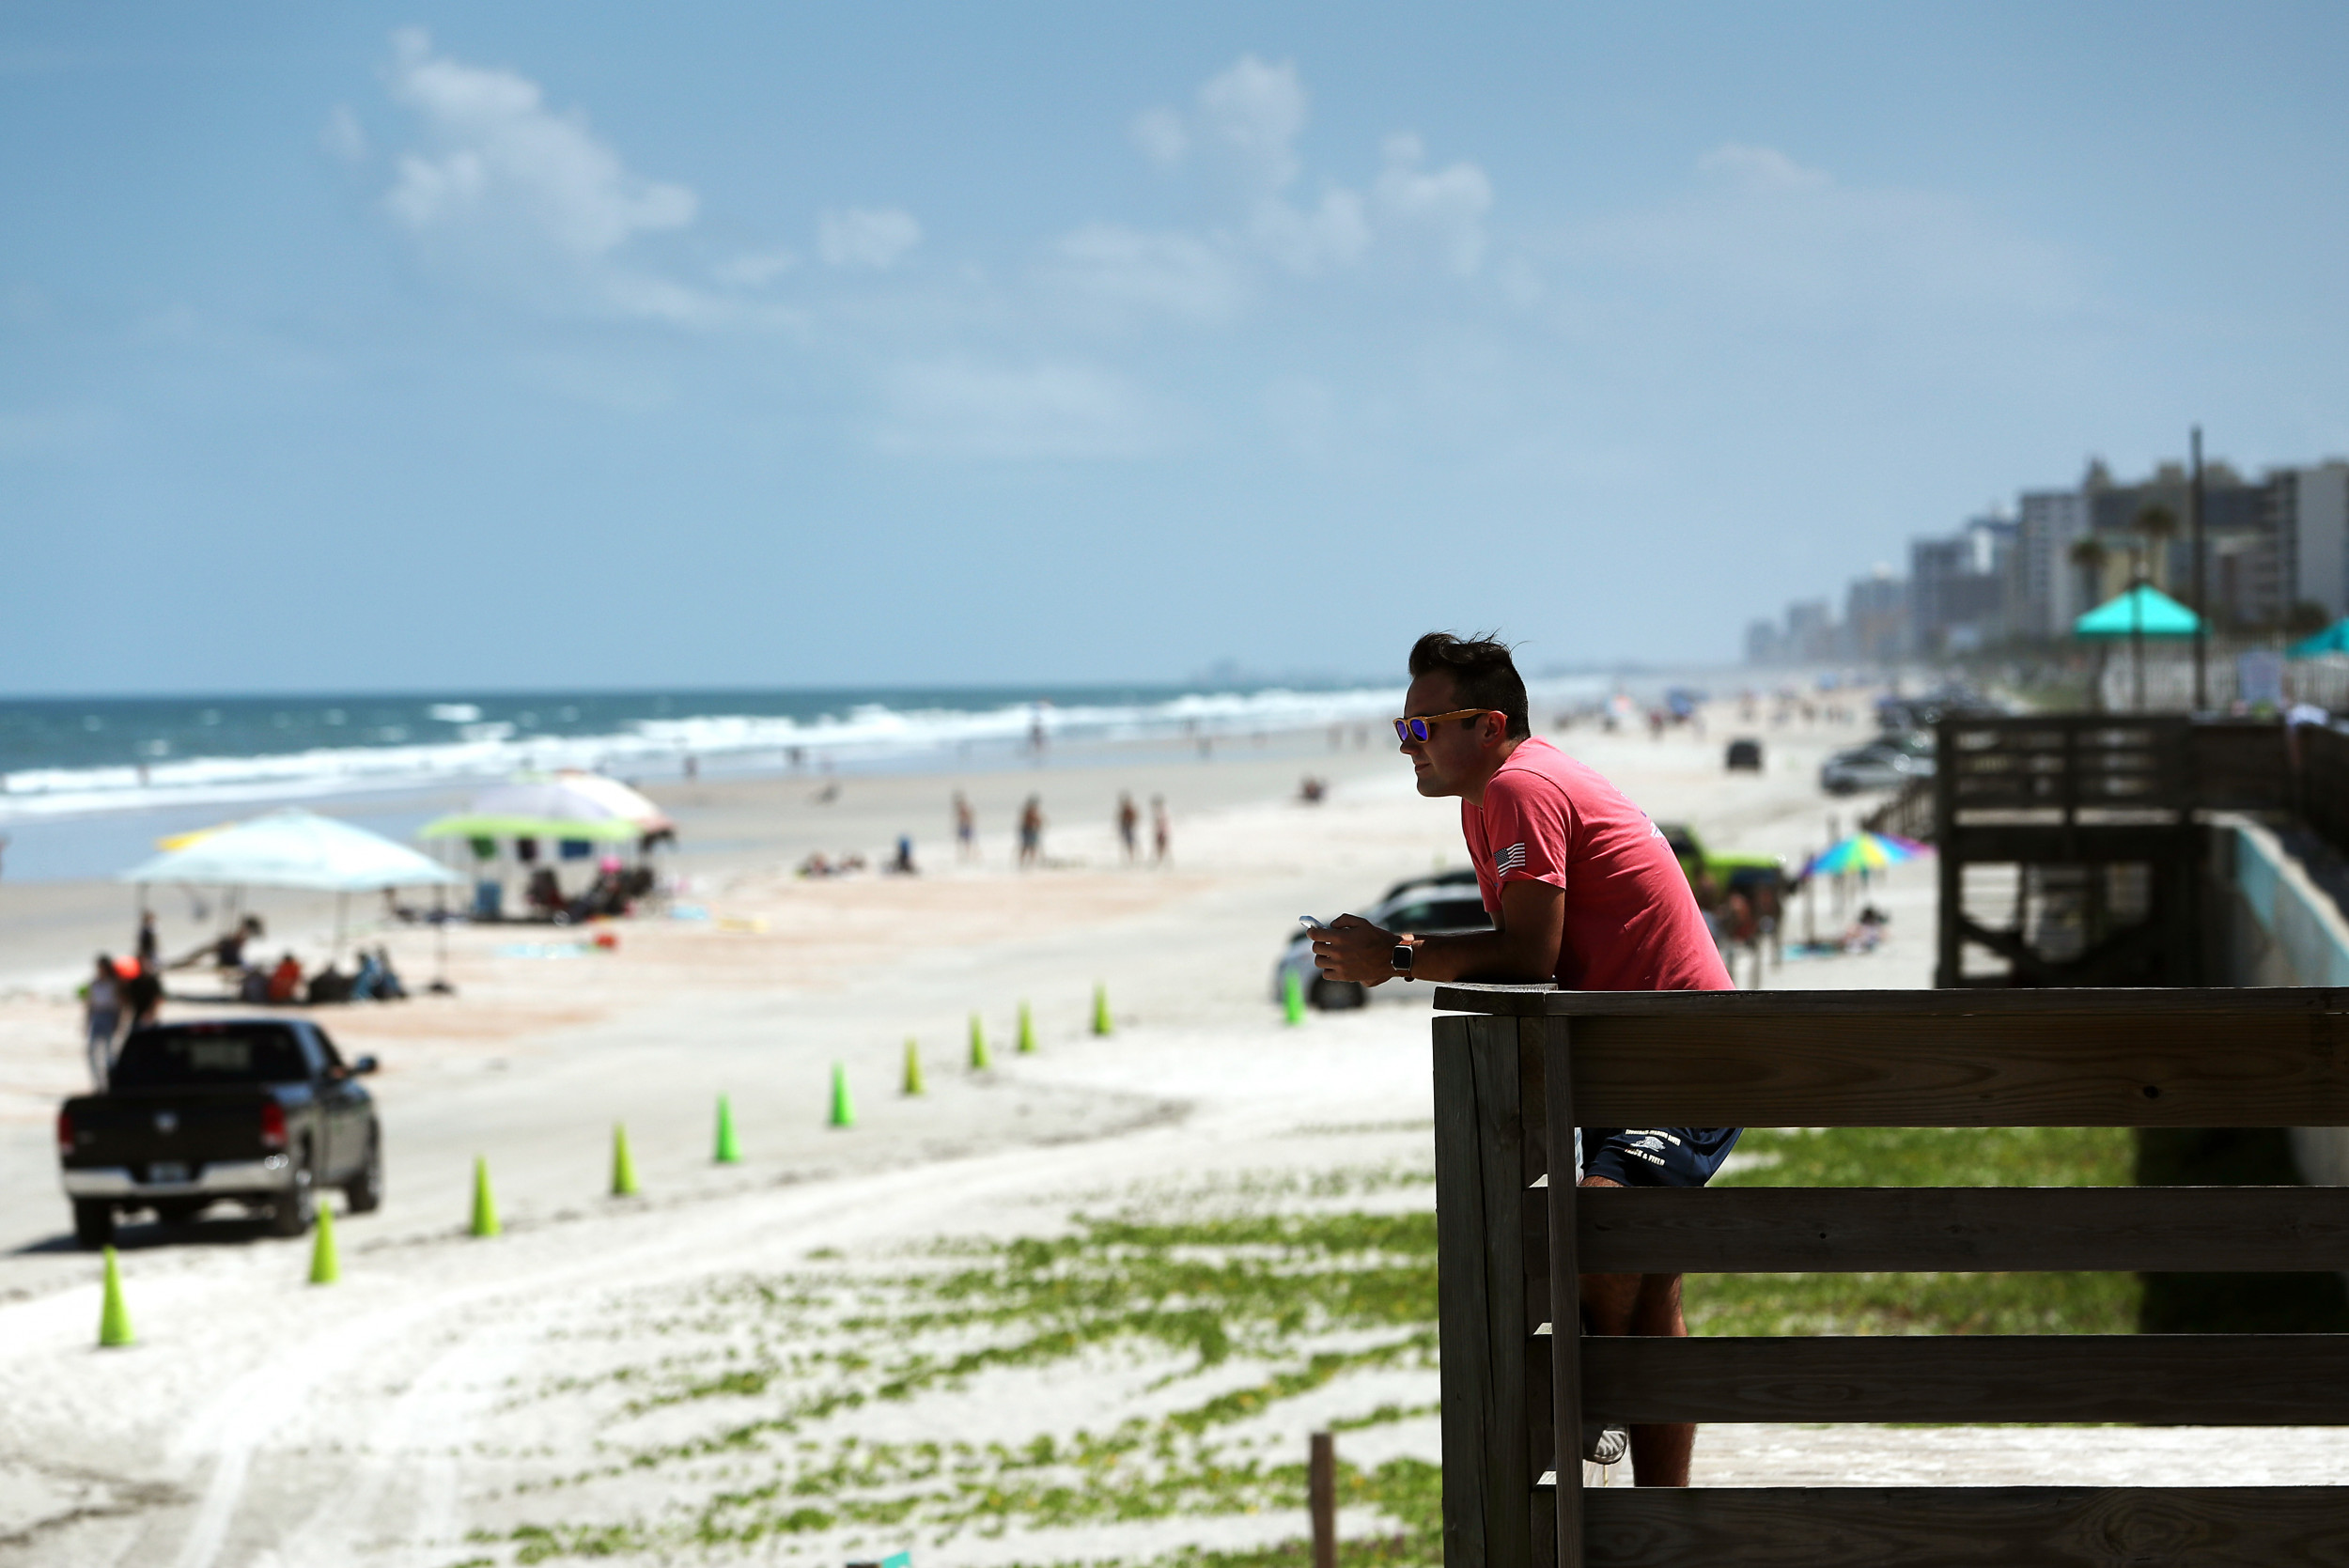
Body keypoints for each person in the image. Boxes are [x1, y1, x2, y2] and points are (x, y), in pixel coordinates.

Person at [1309, 632, 1736, 1488]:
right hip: (1637, 1053)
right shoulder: (1488, 796)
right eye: (1402, 729)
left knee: (1597, 1229)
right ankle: (1664, 1517)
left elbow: (1530, 952)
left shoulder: (1518, 784)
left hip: (1684, 1051)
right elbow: (1524, 947)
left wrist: (1393, 956)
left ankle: (1593, 1396)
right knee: (1650, 1294)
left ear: (1490, 724)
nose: (1409, 747)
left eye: (1424, 728)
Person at [83, 956, 122, 1089]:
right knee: (91, 1052)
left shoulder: (114, 984)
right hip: (97, 1017)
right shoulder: (94, 983)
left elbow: (119, 1005)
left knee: (109, 1054)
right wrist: (86, 1023)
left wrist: (118, 1022)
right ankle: (98, 1083)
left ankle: (111, 1083)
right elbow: (90, 1005)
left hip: (109, 1016)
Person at [1018, 796, 1044, 869]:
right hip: (1028, 831)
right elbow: (1030, 821)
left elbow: (1038, 822)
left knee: (1032, 848)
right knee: (1026, 847)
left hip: (1032, 831)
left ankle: (1031, 864)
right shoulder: (1029, 812)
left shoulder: (1033, 811)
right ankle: (1023, 863)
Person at [954, 791, 976, 862]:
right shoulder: (961, 809)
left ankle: (967, 856)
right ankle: (964, 856)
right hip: (964, 826)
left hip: (966, 827)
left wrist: (969, 824)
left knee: (966, 843)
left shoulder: (964, 809)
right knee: (963, 842)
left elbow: (970, 817)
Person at [1116, 793, 1140, 862]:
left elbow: (1134, 818)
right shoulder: (1124, 810)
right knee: (1128, 843)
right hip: (1126, 828)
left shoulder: (1129, 810)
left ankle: (1132, 858)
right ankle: (1130, 858)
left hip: (1129, 828)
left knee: (1131, 843)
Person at [1150, 796, 1170, 864]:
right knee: (1161, 847)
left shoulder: (1161, 812)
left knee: (1161, 847)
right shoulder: (1162, 812)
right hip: (1161, 832)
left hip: (1161, 832)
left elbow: (1161, 823)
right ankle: (1162, 861)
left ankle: (1162, 861)